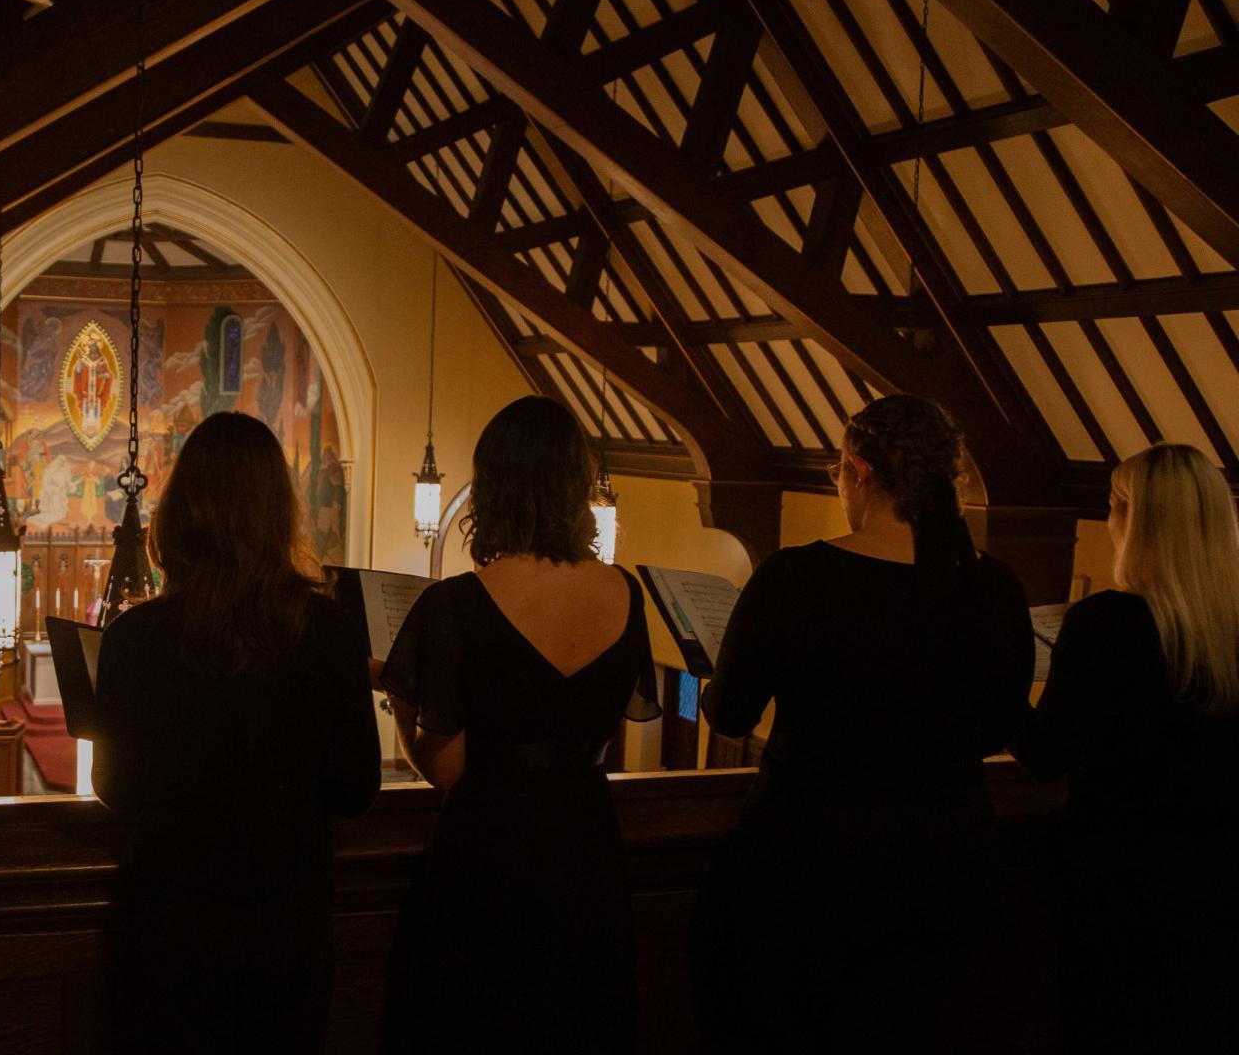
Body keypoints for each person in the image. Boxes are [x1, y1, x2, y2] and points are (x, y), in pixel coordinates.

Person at [691, 394, 1034, 1054]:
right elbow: (996, 727)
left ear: (858, 471)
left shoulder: (795, 578)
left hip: (812, 866)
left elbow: (731, 712)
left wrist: (708, 685)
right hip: (945, 865)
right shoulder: (993, 588)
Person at [93, 411, 380, 1053]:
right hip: (283, 937)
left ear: (181, 512)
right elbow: (357, 787)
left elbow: (114, 784)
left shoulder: (132, 639)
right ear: (277, 513)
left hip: (166, 938)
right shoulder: (328, 633)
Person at [376, 396, 657, 1053]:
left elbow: (447, 766)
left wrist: (403, 709)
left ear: (490, 487)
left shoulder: (452, 604)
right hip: (587, 847)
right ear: (575, 486)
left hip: (489, 857)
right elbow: (597, 724)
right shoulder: (625, 594)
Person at [1012, 443, 1239, 1054]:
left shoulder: (1106, 623)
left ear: (1131, 519)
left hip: (1117, 883)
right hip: (1218, 888)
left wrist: (995, 685)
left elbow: (1045, 755)